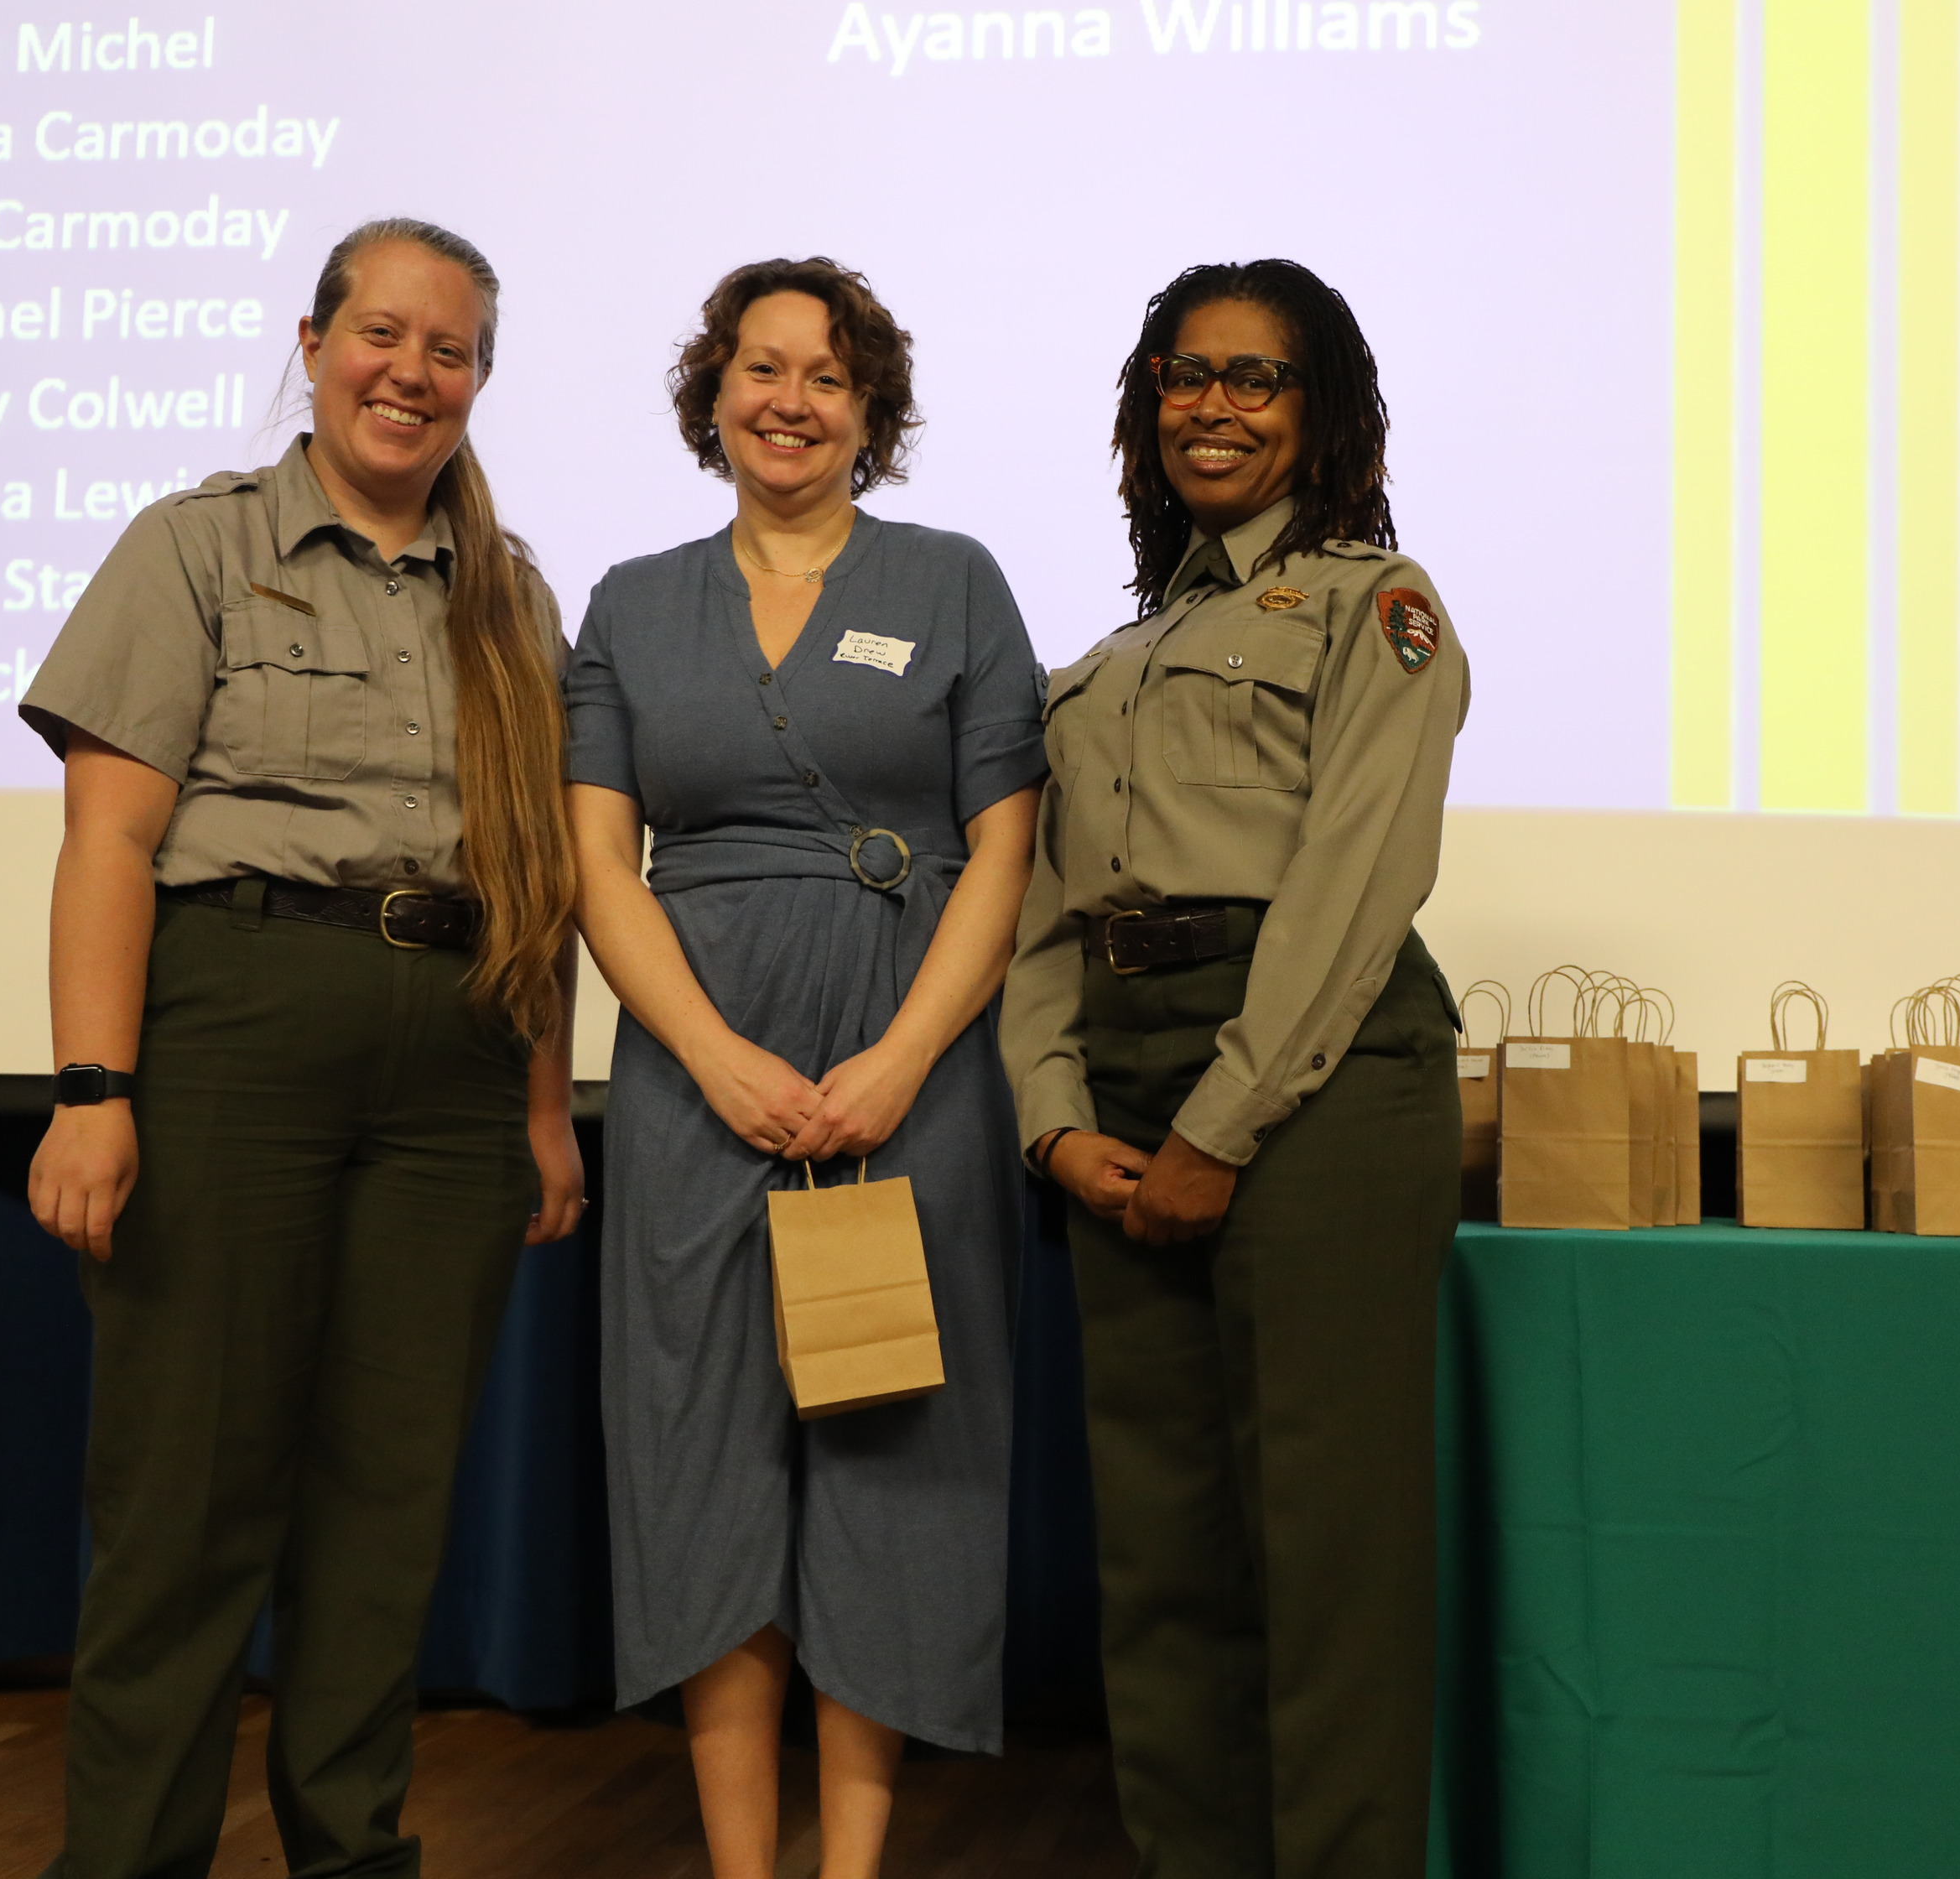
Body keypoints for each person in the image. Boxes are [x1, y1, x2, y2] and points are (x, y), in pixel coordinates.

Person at [17, 217, 585, 1879]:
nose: (412, 374)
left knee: (387, 1512)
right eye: (382, 336)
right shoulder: (194, 547)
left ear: (480, 378)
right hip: (239, 1027)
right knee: (183, 1509)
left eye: (451, 350)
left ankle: (351, 1853)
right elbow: (109, 843)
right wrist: (90, 1091)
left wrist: (547, 1110)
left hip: (458, 1061)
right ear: (315, 339)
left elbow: (540, 871)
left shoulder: (512, 594)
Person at [561, 258, 1042, 1879]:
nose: (789, 399)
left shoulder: (955, 579)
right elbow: (597, 869)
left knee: (891, 1451)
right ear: (713, 394)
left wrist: (908, 1057)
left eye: (827, 376)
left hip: (912, 1071)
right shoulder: (630, 602)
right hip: (703, 1081)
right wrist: (711, 1059)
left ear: (871, 412)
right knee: (700, 1448)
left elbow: (1003, 851)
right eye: (760, 368)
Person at [1000, 258, 1470, 1879]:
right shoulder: (1120, 654)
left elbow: (1355, 884)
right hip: (1121, 1100)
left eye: (1254, 379)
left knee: (1325, 1560)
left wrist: (1224, 1119)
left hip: (1316, 1092)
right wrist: (1055, 1123)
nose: (1211, 405)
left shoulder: (1375, 602)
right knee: (1160, 1563)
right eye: (1183, 376)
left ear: (1324, 412)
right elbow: (1047, 913)